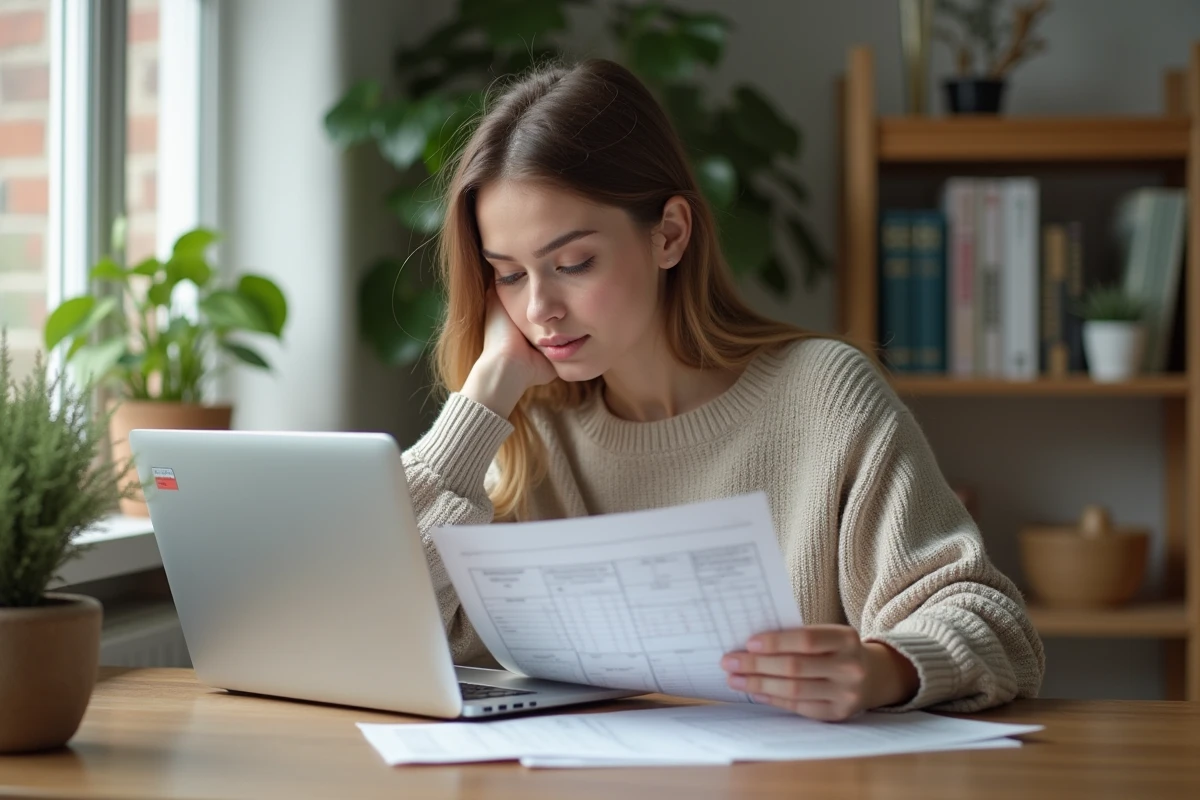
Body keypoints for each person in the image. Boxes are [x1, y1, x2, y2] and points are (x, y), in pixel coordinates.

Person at [401, 57, 1044, 721]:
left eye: (572, 264)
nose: (538, 309)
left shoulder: (823, 397)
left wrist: (886, 667)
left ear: (670, 234)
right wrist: (479, 401)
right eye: (507, 275)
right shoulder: (526, 426)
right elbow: (387, 622)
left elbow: (996, 626)